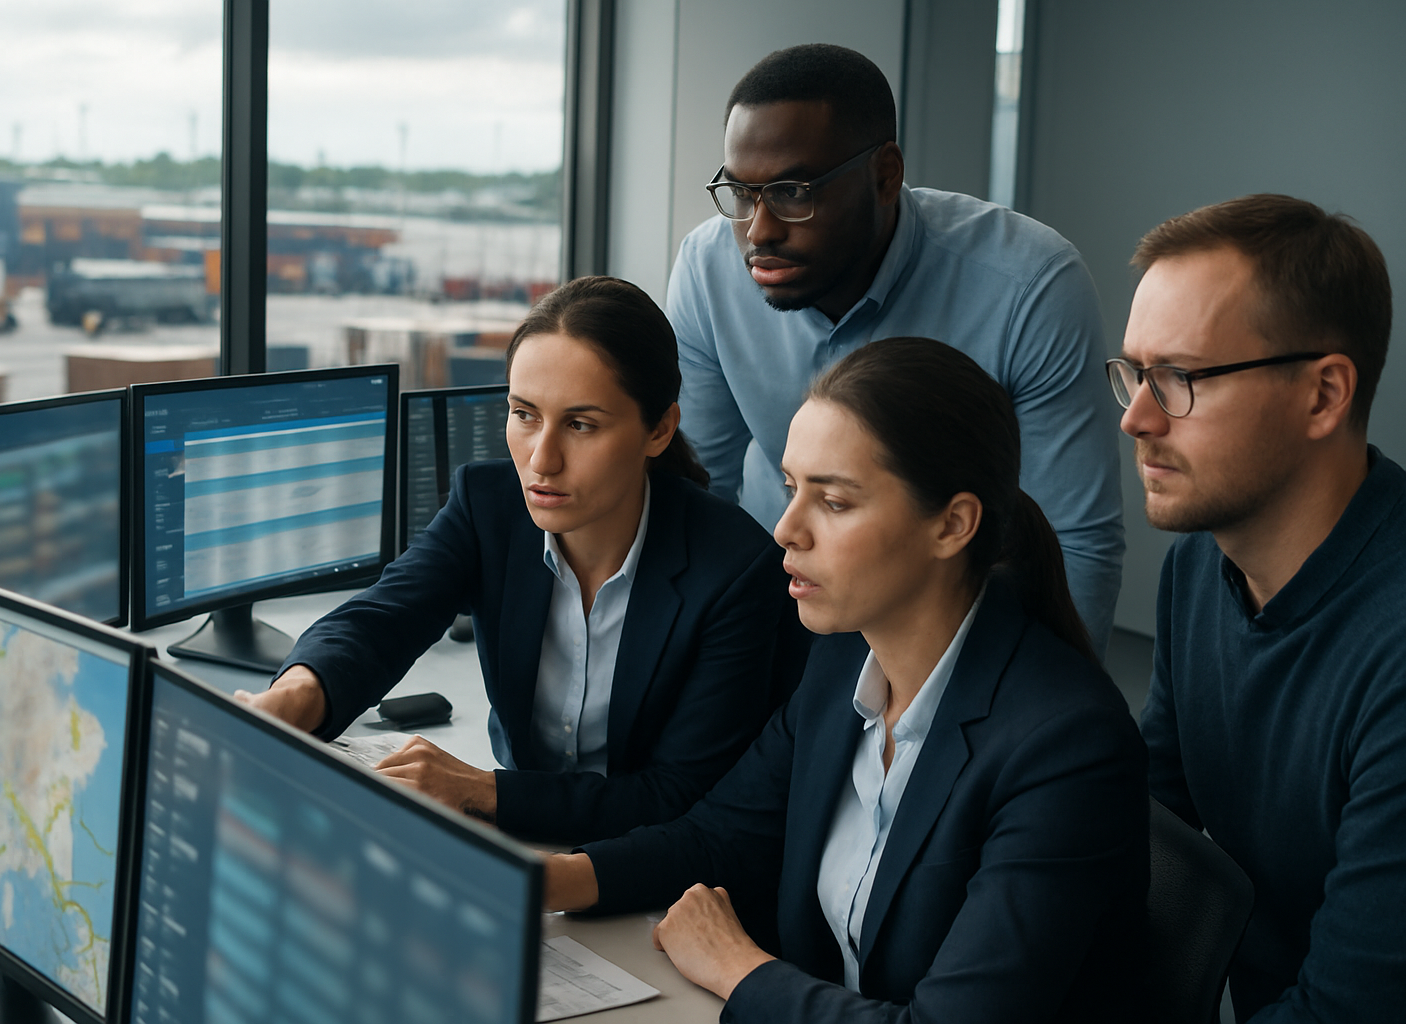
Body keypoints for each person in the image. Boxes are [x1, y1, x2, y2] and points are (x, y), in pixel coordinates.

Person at [544, 337, 1147, 1023]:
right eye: (790, 489)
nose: (784, 531)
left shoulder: (1066, 745)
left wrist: (738, 968)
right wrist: (551, 879)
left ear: (952, 524)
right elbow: (720, 837)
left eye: (832, 502)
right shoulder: (841, 662)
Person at [238, 276, 790, 845]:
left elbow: (678, 793)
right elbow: (381, 620)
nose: (541, 460)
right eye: (524, 414)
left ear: (659, 429)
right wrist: (296, 695)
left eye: (580, 425)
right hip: (520, 838)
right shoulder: (488, 505)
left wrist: (482, 790)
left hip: (651, 867)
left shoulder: (735, 570)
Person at [668, 42, 1125, 656]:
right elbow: (699, 497)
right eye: (742, 194)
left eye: (793, 192)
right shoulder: (708, 267)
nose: (759, 230)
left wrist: (1039, 727)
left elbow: (1074, 540)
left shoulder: (1030, 285)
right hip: (775, 601)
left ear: (886, 174)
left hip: (950, 631)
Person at [1116, 194, 1405, 1023]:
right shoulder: (1197, 570)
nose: (1136, 418)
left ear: (1323, 396)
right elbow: (1141, 825)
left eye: (1178, 378)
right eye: (1134, 374)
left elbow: (1353, 1011)